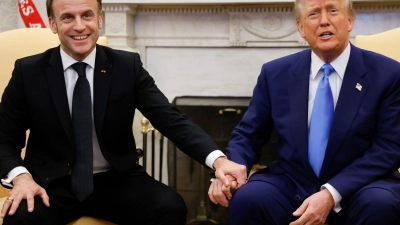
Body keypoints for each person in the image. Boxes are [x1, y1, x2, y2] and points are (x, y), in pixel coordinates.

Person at [0, 0, 247, 224]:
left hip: (115, 180)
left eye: (87, 15)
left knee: (170, 208)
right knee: (18, 218)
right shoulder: (28, 72)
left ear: (100, 19)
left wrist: (219, 160)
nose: (79, 26)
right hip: (49, 184)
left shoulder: (127, 66)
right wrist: (21, 177)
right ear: (53, 24)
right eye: (67, 17)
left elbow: (171, 120)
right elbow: (4, 138)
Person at [208, 0, 400, 224]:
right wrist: (232, 169)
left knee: (380, 204)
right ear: (301, 28)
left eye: (333, 11)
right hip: (293, 183)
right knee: (248, 198)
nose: (324, 21)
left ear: (350, 21)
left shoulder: (388, 74)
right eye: (314, 14)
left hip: (359, 186)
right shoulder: (275, 73)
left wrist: (331, 192)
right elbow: (249, 134)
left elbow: (389, 147)